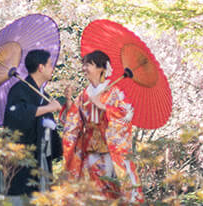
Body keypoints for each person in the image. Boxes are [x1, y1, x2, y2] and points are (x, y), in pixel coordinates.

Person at [61, 49, 145, 203]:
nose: (84, 68)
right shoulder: (84, 95)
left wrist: (104, 107)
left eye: (89, 65)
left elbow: (126, 116)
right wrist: (69, 105)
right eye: (84, 65)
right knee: (93, 193)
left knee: (116, 192)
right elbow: (73, 122)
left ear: (102, 68)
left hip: (110, 151)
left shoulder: (114, 92)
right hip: (90, 151)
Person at [0, 48, 63, 203]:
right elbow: (16, 116)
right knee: (18, 198)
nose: (52, 68)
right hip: (21, 159)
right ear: (41, 67)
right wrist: (48, 109)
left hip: (40, 158)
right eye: (49, 65)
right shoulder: (19, 90)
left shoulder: (43, 95)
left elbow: (48, 127)